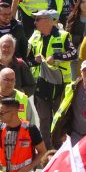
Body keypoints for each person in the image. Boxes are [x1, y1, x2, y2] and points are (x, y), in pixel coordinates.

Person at [28, 9, 78, 140]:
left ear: (47, 21)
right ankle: (46, 150)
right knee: (44, 120)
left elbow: (73, 53)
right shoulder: (34, 37)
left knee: (59, 118)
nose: (35, 22)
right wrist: (35, 60)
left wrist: (56, 56)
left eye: (38, 19)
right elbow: (28, 60)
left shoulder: (63, 35)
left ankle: (59, 148)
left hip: (60, 85)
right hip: (40, 85)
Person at [0, 97, 46, 172]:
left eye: (2, 112)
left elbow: (42, 151)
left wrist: (29, 167)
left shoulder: (30, 129)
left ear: (13, 112)